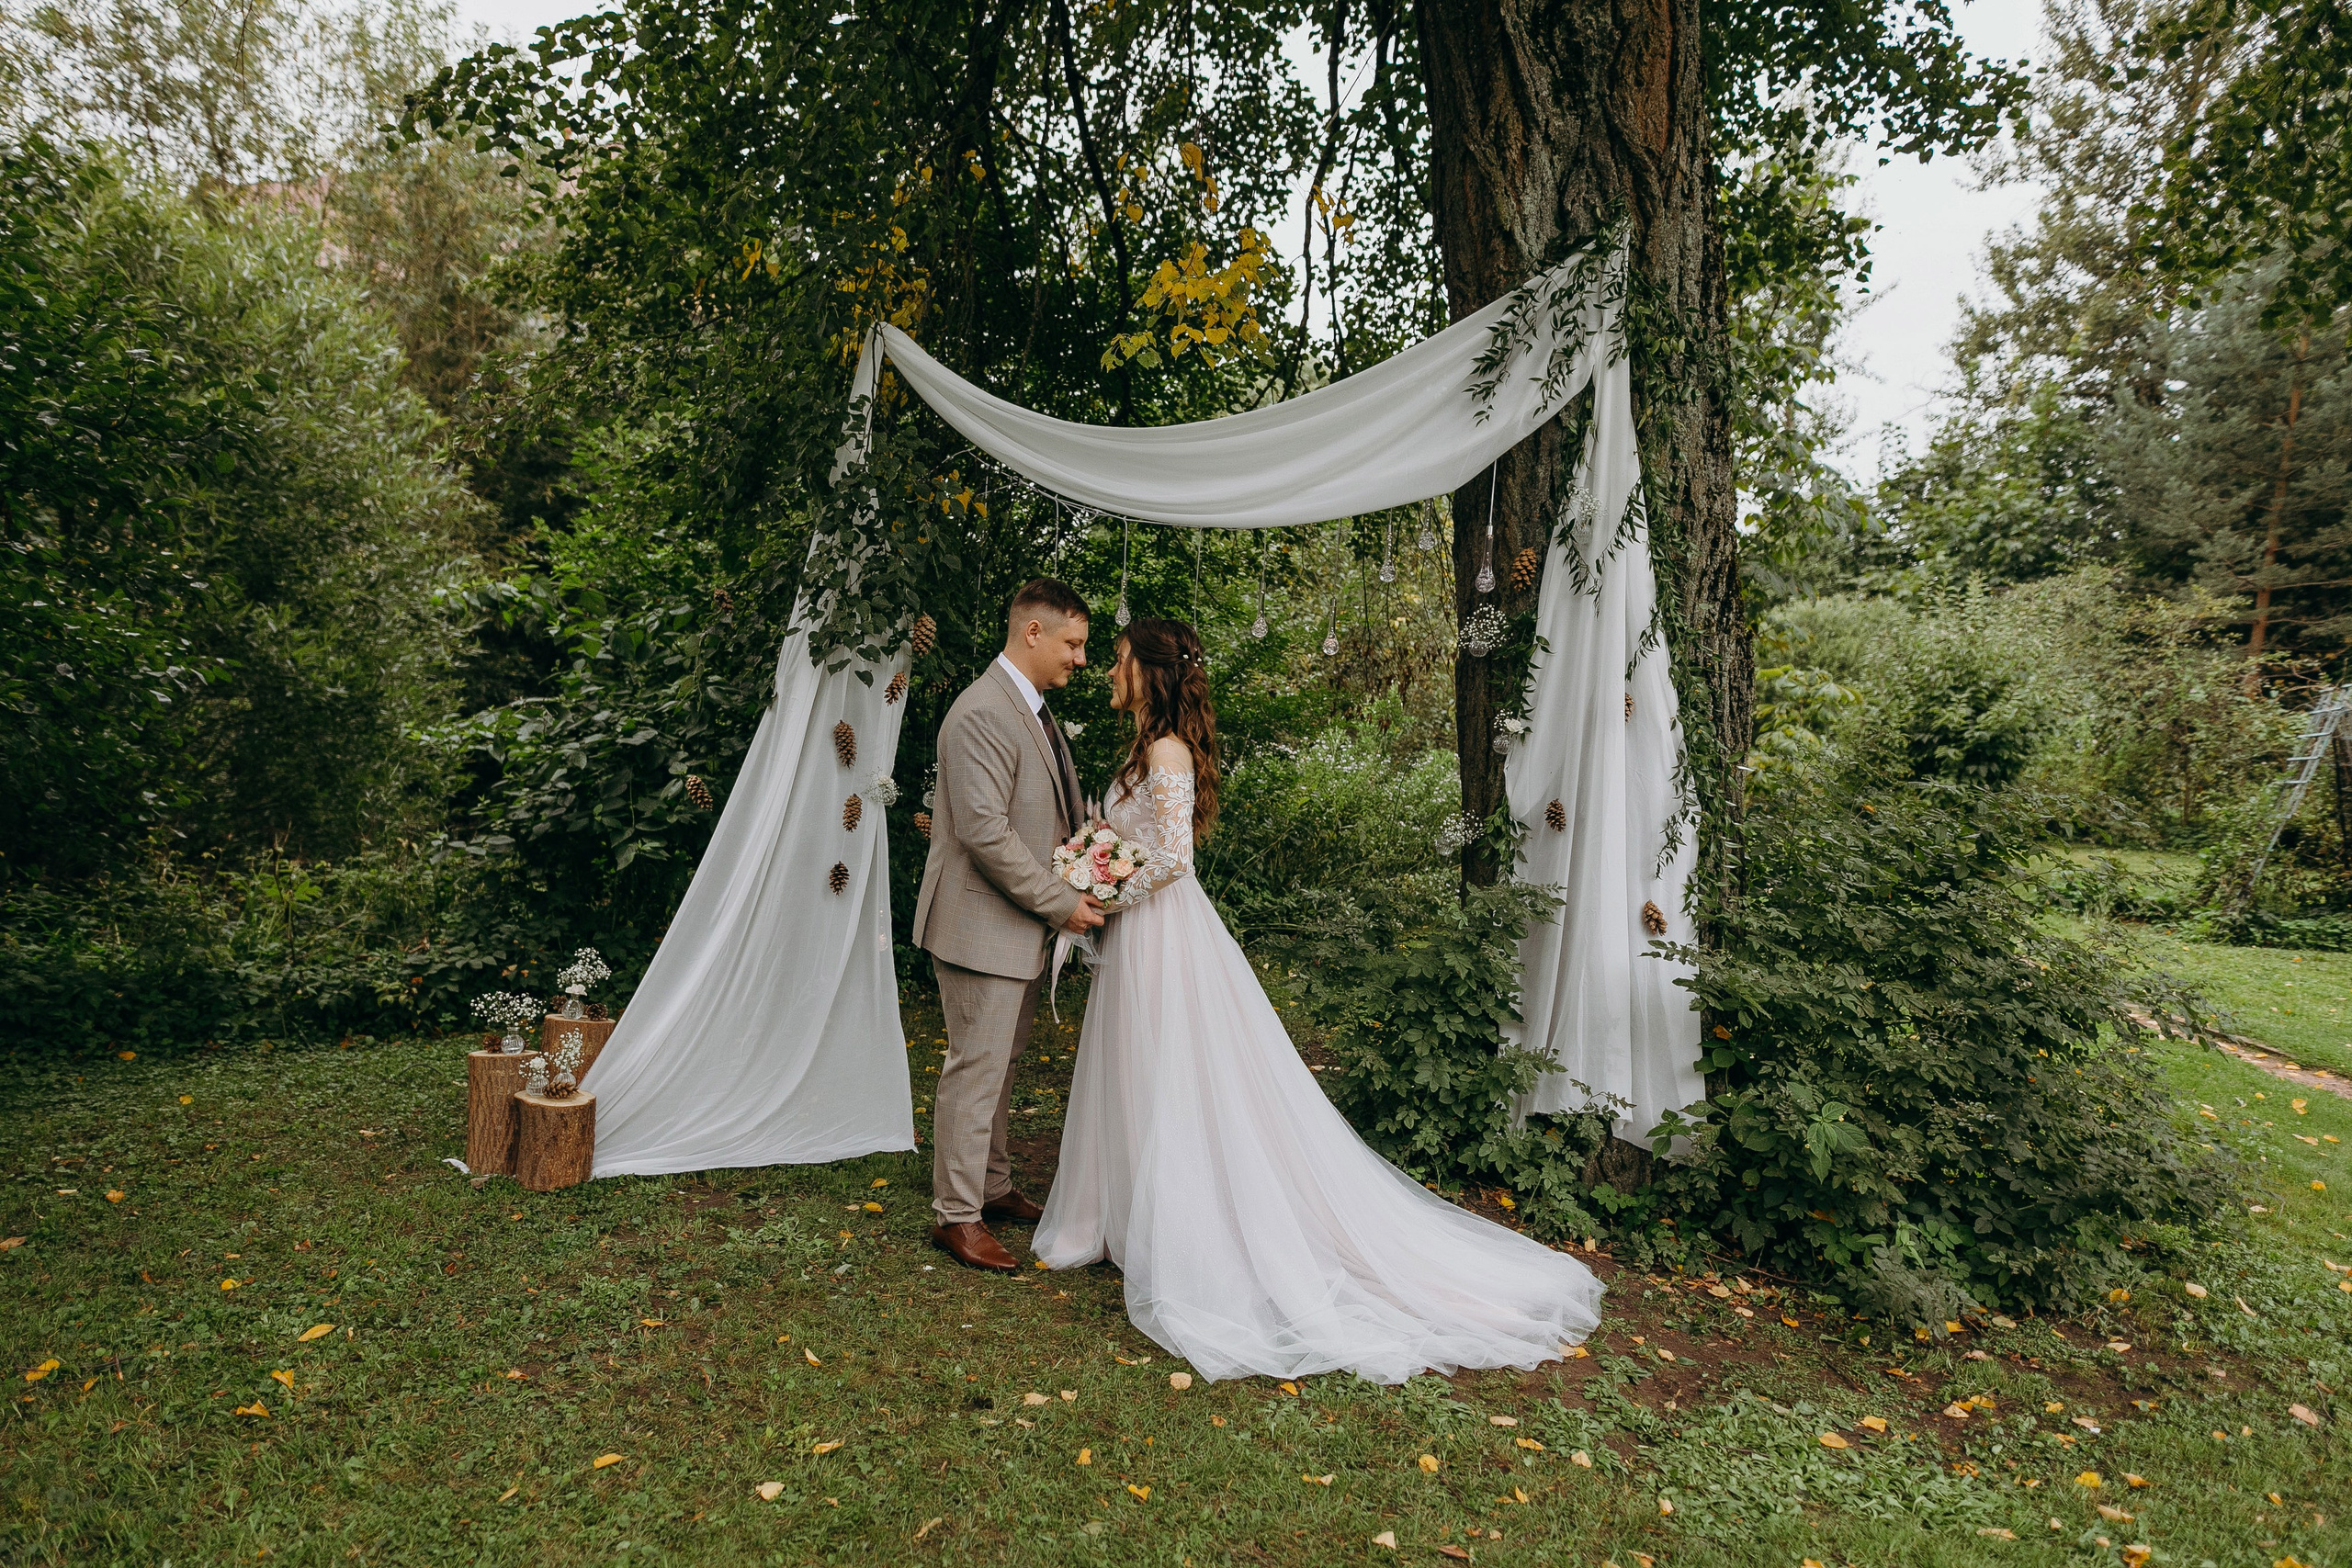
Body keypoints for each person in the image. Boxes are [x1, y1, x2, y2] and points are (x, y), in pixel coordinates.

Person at [1033, 616, 1604, 1383]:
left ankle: (1191, 1229)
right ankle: (1126, 1215)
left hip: (1164, 930)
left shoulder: (1166, 751)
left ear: (1150, 671)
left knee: (1177, 1074)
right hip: (1142, 934)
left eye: (1119, 659)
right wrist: (1092, 861)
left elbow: (1173, 858)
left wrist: (1103, 891)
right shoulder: (1144, 748)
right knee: (1135, 1067)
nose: (1108, 669)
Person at [911, 578, 1105, 1272]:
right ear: (1033, 633)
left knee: (1005, 1063)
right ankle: (955, 1215)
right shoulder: (981, 713)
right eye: (1073, 643)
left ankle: (989, 1187)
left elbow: (1047, 812)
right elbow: (987, 834)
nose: (1081, 658)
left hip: (1014, 926)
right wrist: (1062, 901)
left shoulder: (1034, 711)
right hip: (978, 924)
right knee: (977, 1067)